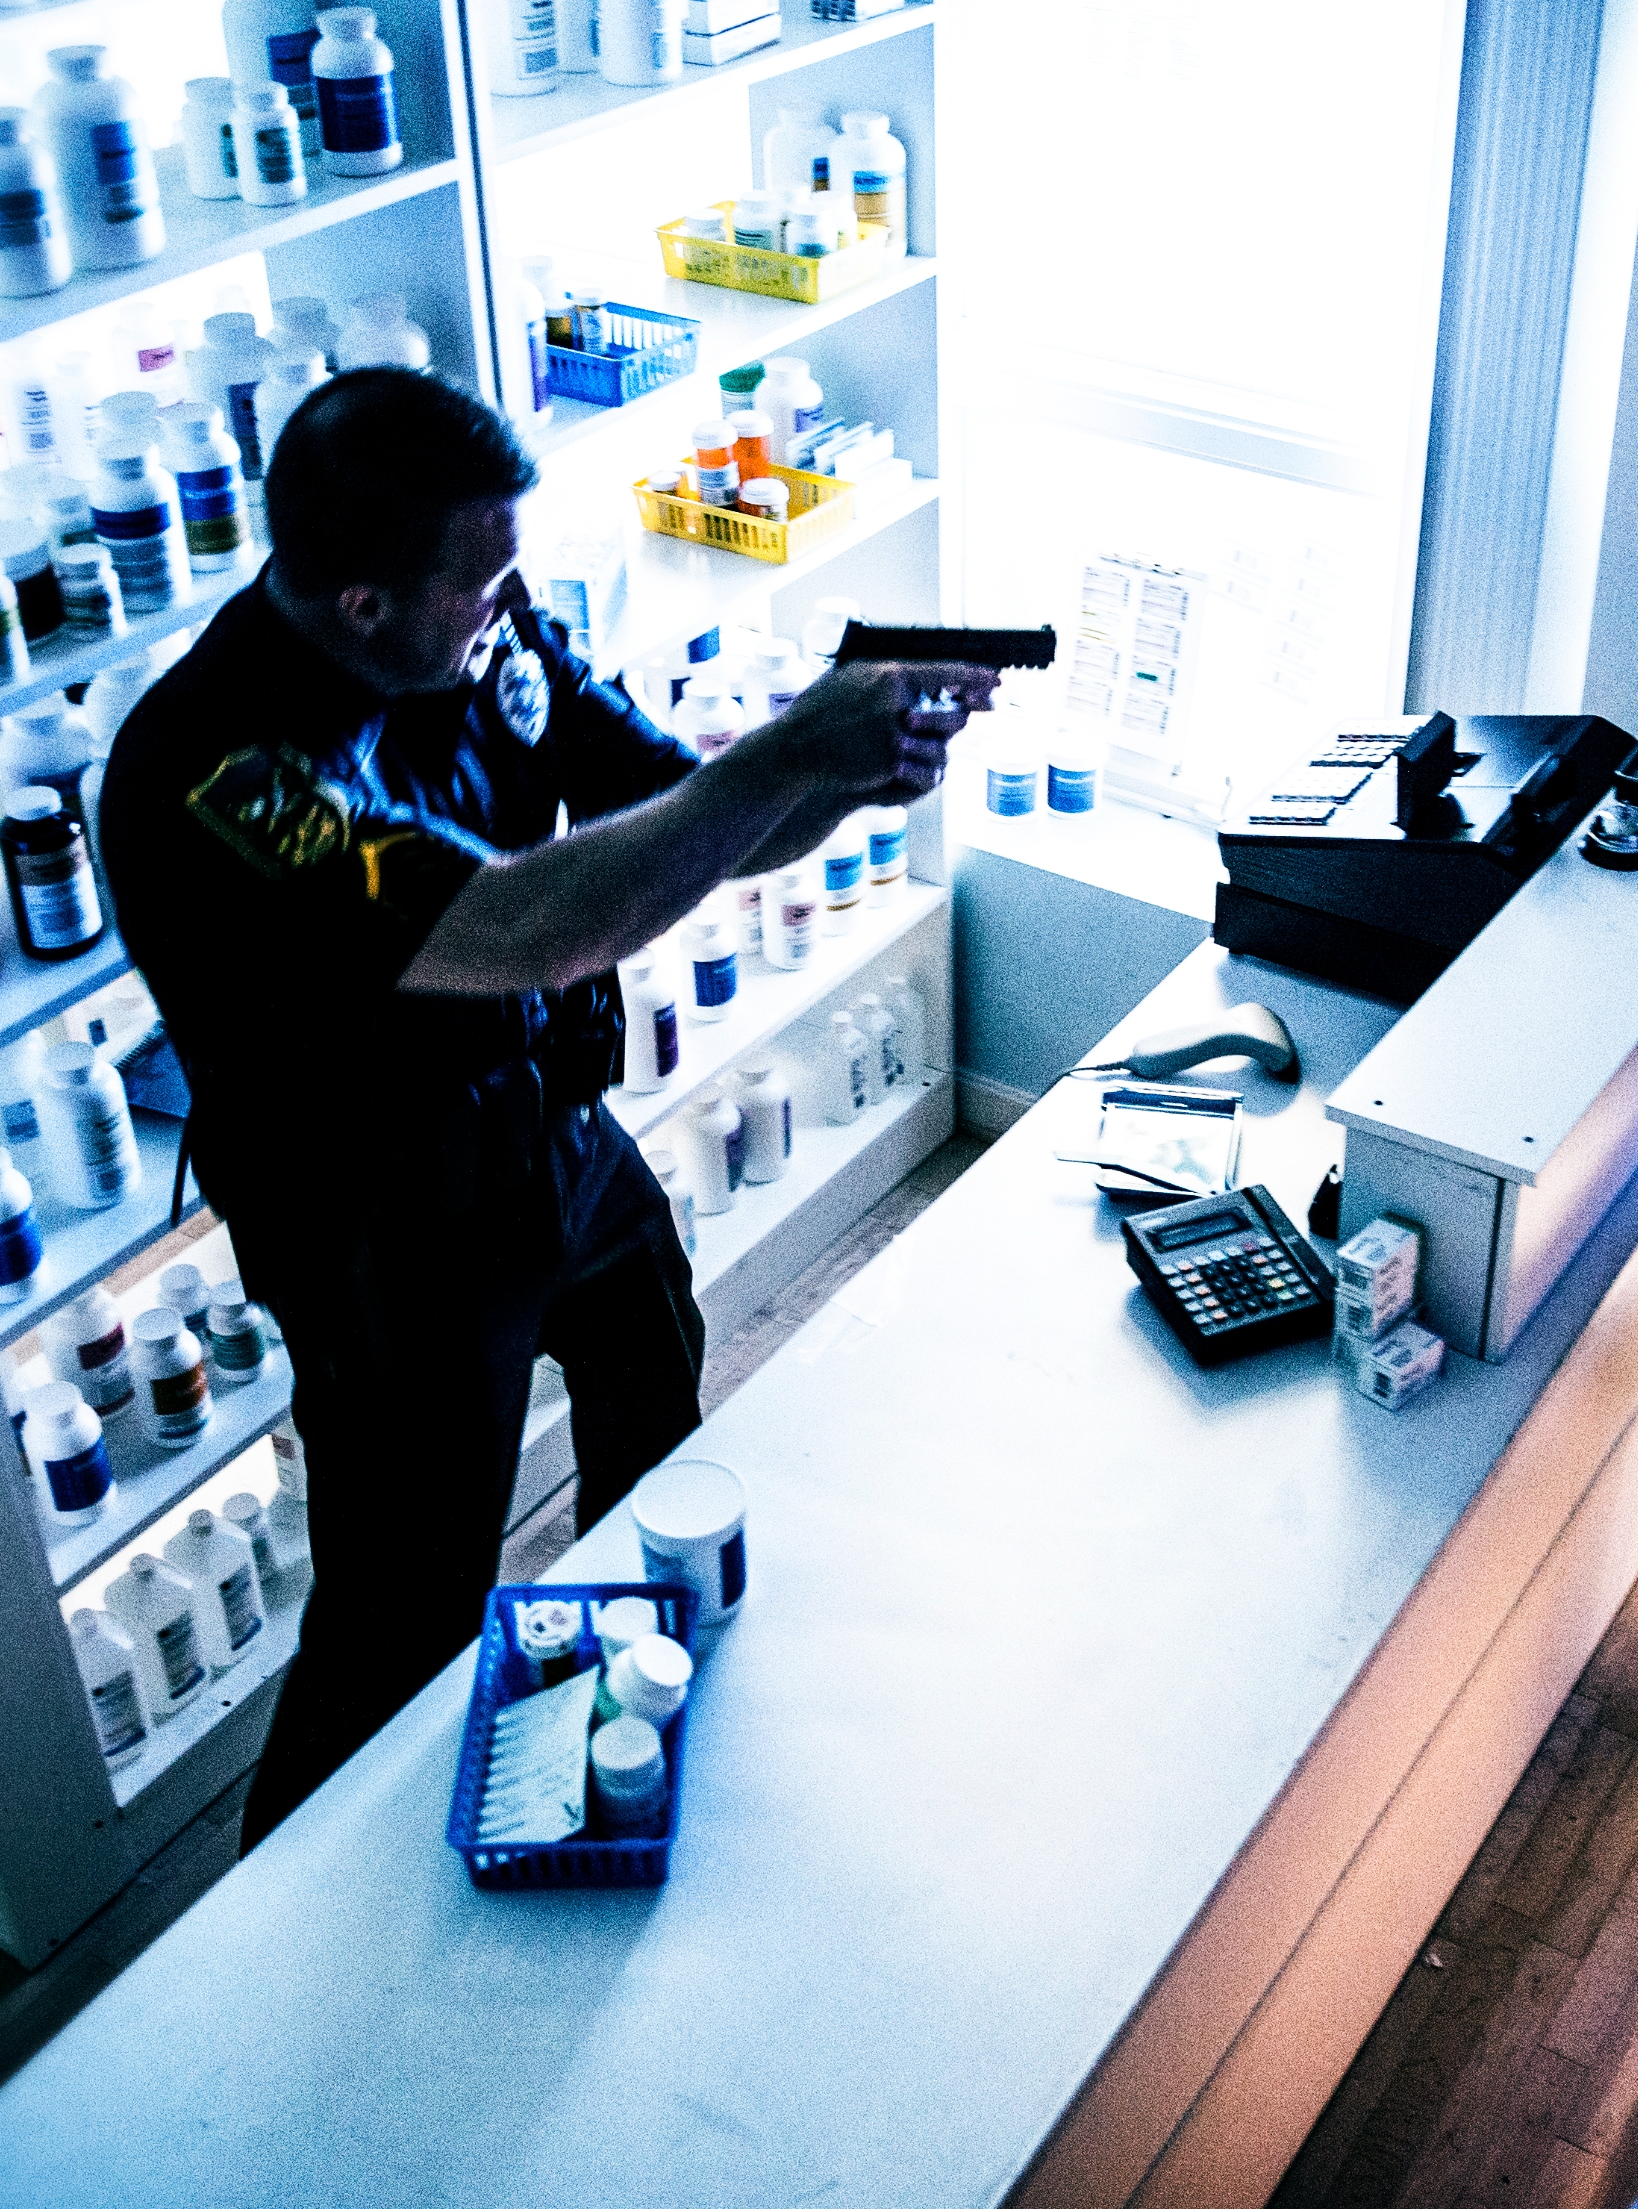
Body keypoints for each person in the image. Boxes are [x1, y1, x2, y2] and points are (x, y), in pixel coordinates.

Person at [96, 370, 993, 1846]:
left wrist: (852, 777)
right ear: (368, 602)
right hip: (380, 1225)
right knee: (406, 1601)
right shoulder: (223, 772)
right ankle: (298, 1919)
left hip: (548, 1135)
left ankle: (634, 1679)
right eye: (483, 576)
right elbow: (523, 925)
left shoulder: (482, 625)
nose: (510, 602)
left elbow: (667, 804)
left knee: (651, 1362)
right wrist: (791, 753)